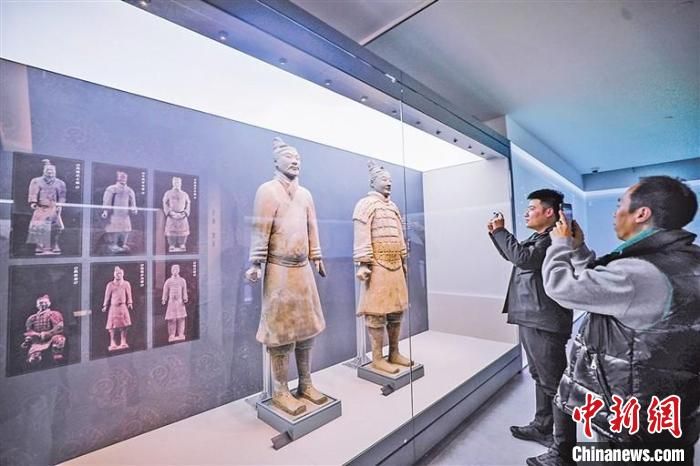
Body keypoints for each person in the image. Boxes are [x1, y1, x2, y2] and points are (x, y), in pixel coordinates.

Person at [528, 176, 699, 466]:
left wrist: (558, 245)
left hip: (633, 415)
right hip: (668, 406)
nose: (614, 213)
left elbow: (562, 287)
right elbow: (604, 285)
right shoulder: (682, 259)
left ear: (641, 213)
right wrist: (578, 249)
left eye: (620, 204)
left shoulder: (638, 271)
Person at [245, 137, 327, 416]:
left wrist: (316, 255)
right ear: (276, 161)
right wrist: (256, 262)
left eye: (298, 158)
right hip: (278, 270)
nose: (295, 161)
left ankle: (305, 383)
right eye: (290, 157)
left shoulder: (305, 195)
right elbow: (260, 229)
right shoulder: (267, 191)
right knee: (280, 332)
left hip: (303, 270)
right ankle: (280, 390)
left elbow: (312, 227)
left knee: (306, 329)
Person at [488, 189, 573, 447]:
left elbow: (523, 259)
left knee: (553, 383)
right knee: (540, 377)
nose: (526, 213)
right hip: (534, 317)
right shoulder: (540, 237)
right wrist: (496, 234)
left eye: (532, 208)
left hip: (544, 320)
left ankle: (563, 447)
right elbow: (514, 256)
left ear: (549, 212)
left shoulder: (553, 240)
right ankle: (542, 427)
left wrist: (501, 231)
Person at [353, 160, 412, 374]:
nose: (388, 183)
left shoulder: (393, 207)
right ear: (373, 182)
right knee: (376, 313)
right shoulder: (365, 205)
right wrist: (363, 263)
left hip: (395, 264)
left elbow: (400, 234)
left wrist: (403, 258)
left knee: (396, 310)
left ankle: (394, 352)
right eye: (384, 179)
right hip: (377, 265)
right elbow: (361, 235)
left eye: (390, 180)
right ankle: (377, 358)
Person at [26, 159, 66, 255]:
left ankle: (54, 245)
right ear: (44, 170)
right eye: (48, 170)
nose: (50, 172)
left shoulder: (60, 183)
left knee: (56, 228)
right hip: (41, 208)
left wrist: (60, 205)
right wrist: (33, 202)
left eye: (52, 170)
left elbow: (62, 196)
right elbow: (33, 193)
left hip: (53, 208)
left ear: (55, 171)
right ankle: (39, 247)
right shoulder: (36, 181)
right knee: (38, 227)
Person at [22, 294, 66, 366]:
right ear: (37, 305)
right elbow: (29, 331)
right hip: (37, 341)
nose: (43, 304)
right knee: (33, 360)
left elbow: (59, 328)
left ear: (49, 303)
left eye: (45, 302)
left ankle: (57, 355)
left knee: (59, 339)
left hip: (51, 337)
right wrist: (27, 340)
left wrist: (45, 334)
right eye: (40, 303)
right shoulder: (32, 318)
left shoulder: (54, 314)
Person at [101, 170, 137, 253]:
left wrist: (134, 209)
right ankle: (114, 244)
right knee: (115, 229)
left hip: (125, 214)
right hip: (115, 213)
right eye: (121, 176)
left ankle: (123, 244)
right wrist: (105, 211)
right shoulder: (111, 188)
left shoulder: (130, 190)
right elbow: (107, 201)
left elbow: (133, 202)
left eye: (124, 176)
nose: (123, 178)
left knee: (126, 229)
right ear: (117, 177)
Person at [102, 266, 133, 351]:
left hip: (123, 307)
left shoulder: (126, 284)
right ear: (114, 274)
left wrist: (130, 302)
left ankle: (123, 341)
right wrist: (105, 305)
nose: (118, 274)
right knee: (112, 327)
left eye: (120, 273)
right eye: (117, 273)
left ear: (123, 274)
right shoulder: (110, 285)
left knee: (124, 325)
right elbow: (107, 296)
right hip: (113, 307)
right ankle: (112, 342)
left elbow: (129, 294)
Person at [162, 176, 191, 252]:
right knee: (171, 232)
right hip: (172, 216)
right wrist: (169, 212)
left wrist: (185, 213)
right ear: (172, 183)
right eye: (175, 182)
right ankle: (172, 244)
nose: (176, 184)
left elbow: (188, 203)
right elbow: (165, 203)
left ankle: (182, 244)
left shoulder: (185, 194)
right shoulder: (168, 193)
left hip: (182, 216)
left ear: (181, 183)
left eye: (178, 182)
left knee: (183, 232)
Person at [162, 264, 188, 342]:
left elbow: (184, 290)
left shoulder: (182, 281)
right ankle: (172, 335)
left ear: (179, 270)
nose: (175, 271)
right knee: (171, 319)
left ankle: (181, 334)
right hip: (171, 302)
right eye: (173, 269)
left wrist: (185, 298)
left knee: (181, 319)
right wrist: (164, 299)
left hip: (180, 302)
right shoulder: (168, 281)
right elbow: (165, 291)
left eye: (176, 269)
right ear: (171, 271)